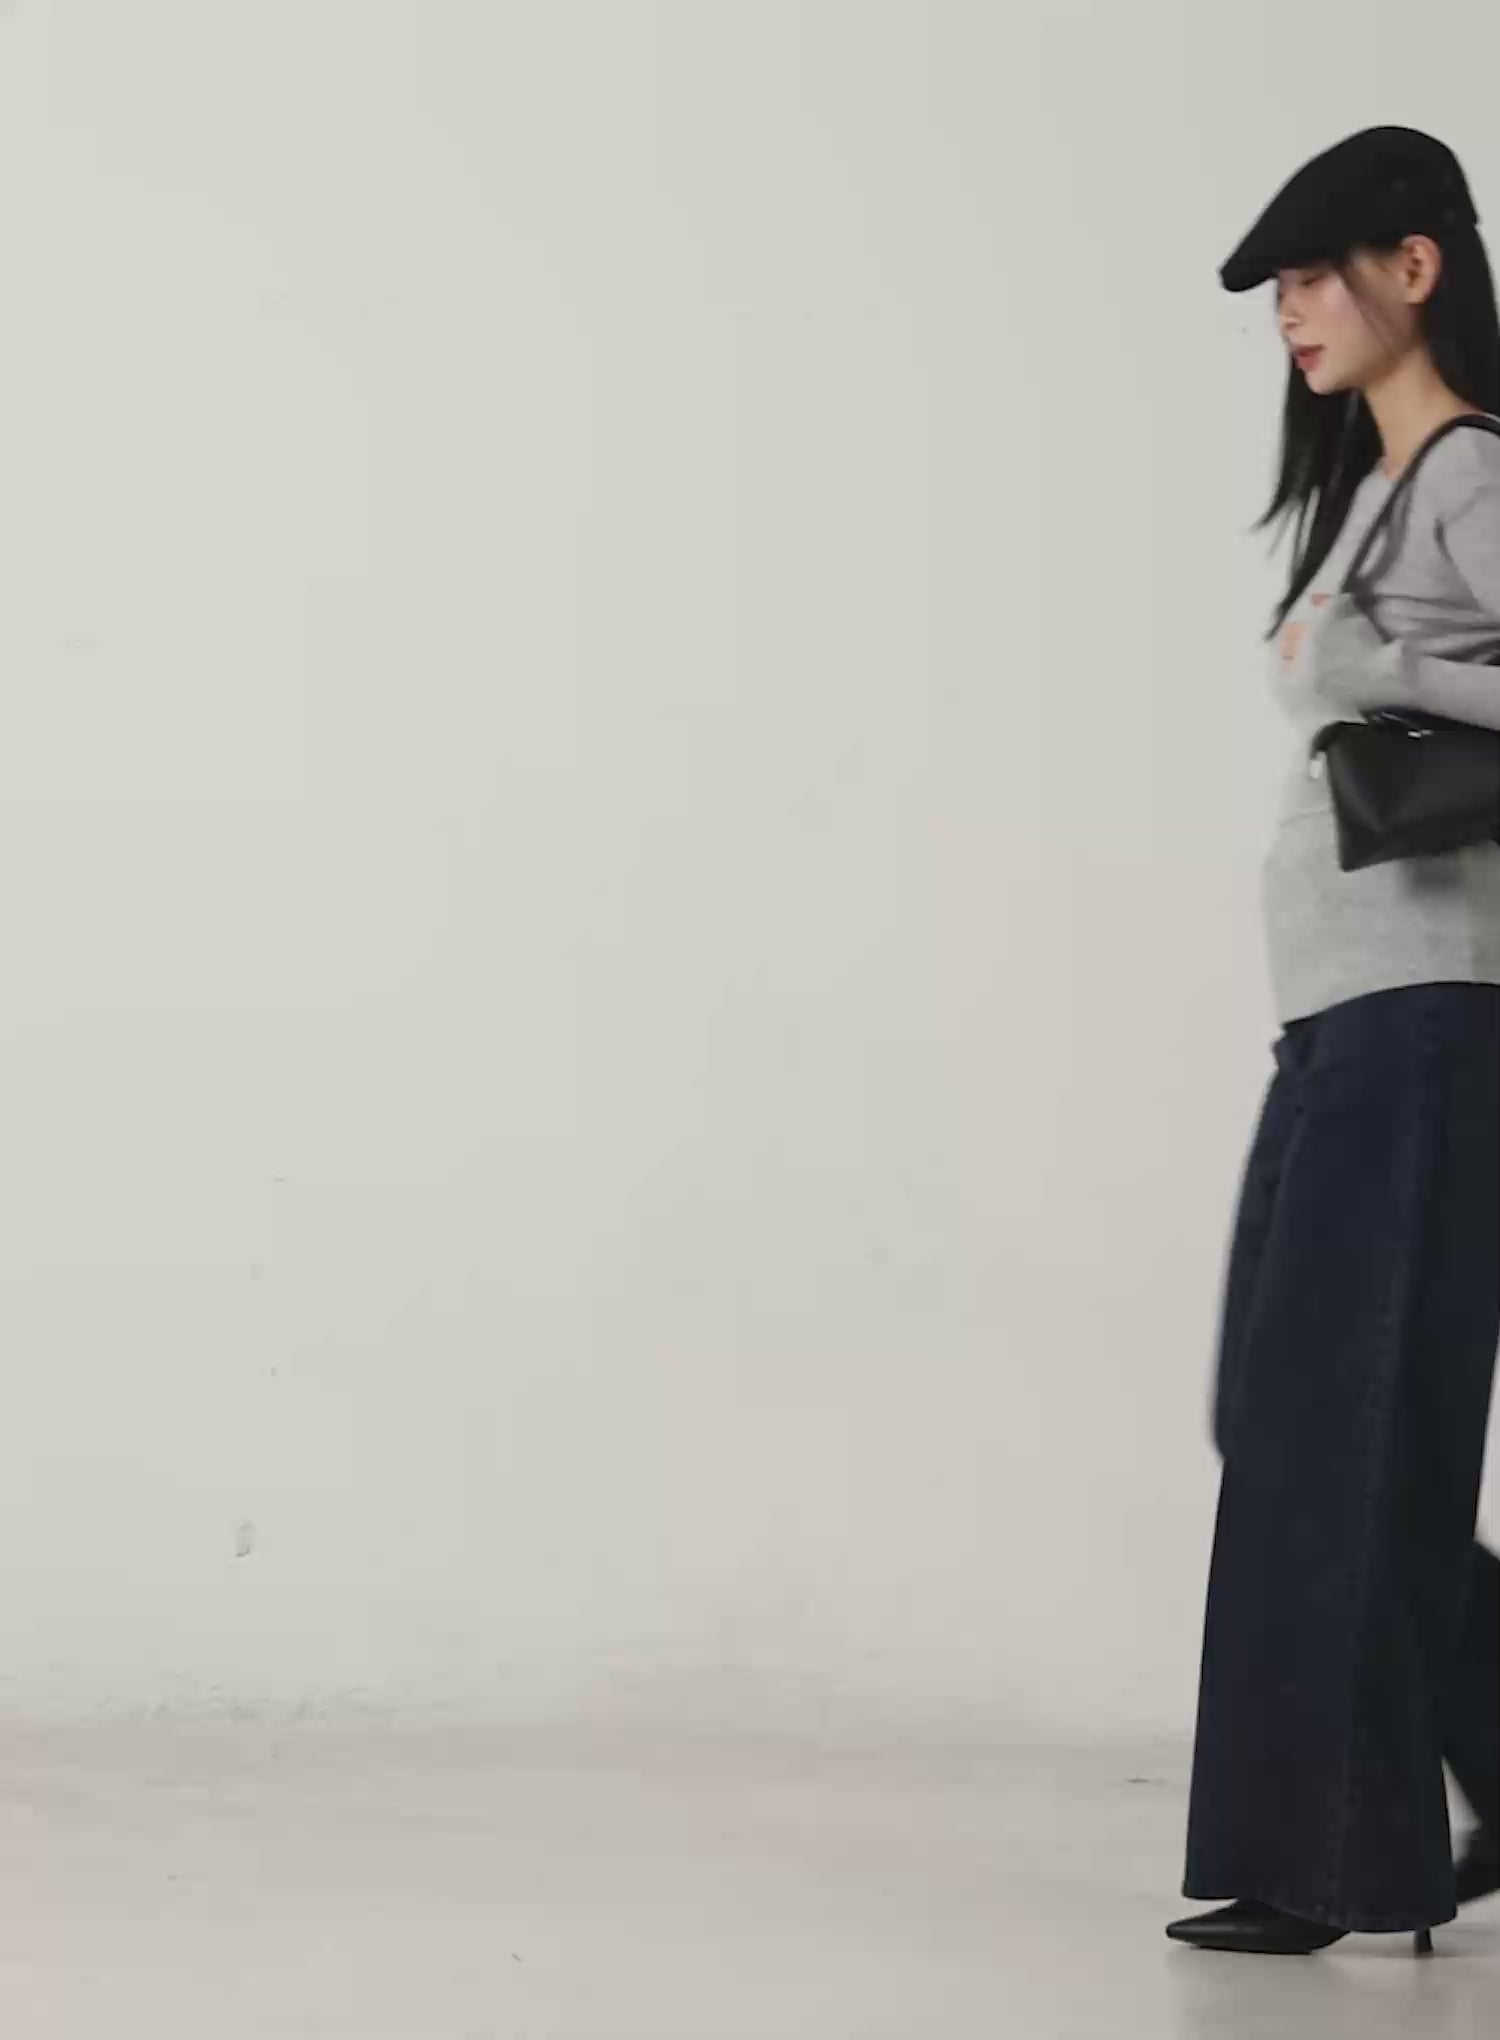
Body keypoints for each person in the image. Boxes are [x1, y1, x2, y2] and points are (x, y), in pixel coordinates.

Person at [1165, 126, 1500, 1958]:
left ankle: (1320, 1868)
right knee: (1288, 1411)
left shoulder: (1471, 472)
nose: (1290, 310)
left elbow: (1422, 694)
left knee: (1334, 1426)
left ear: (1414, 269)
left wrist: (1387, 673)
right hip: (1344, 1024)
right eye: (1278, 287)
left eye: (1311, 273)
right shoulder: (1379, 488)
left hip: (1431, 1013)